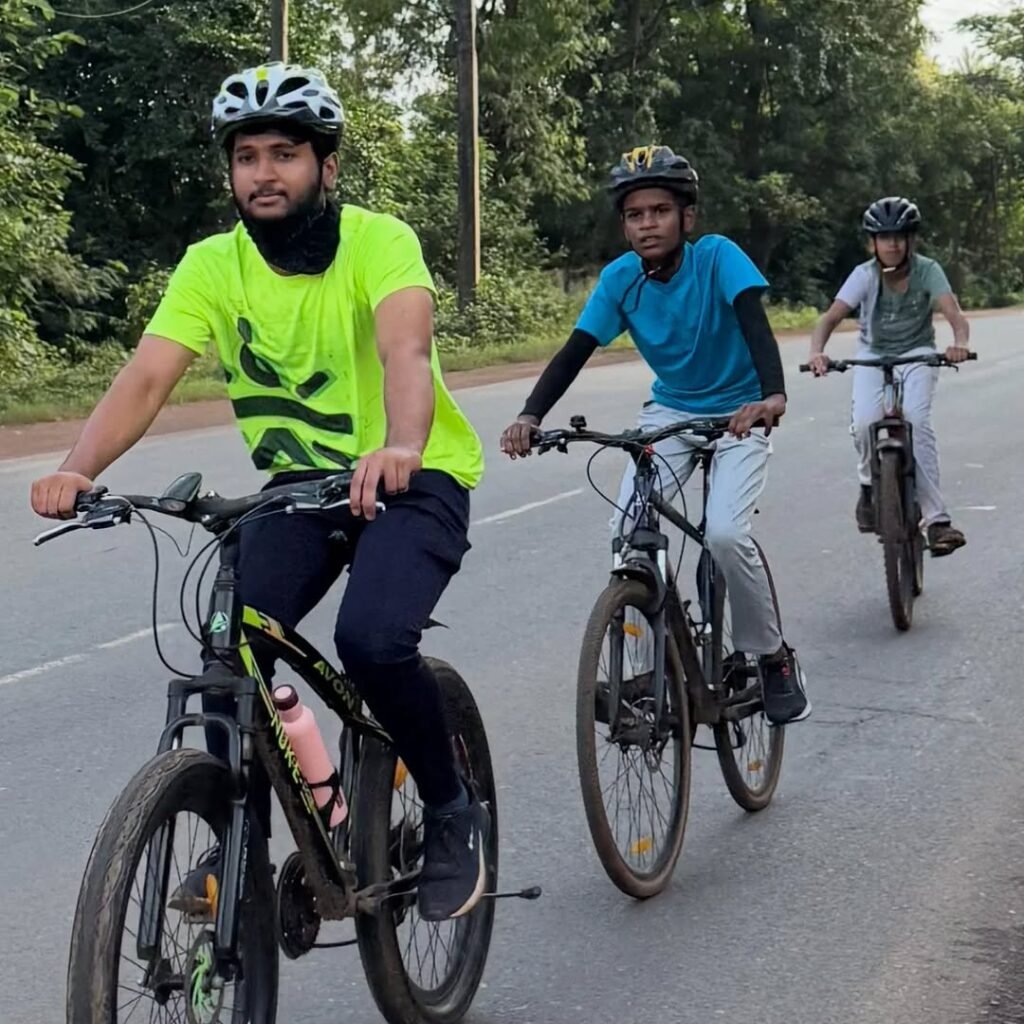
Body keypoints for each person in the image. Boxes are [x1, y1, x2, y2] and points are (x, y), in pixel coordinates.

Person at [29, 61, 489, 922]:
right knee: (227, 651)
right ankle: (231, 835)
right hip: (298, 492)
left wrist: (399, 444)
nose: (264, 172)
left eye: (285, 152)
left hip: (412, 478)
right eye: (247, 156)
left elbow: (405, 352)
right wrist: (79, 466)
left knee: (373, 641)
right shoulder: (213, 265)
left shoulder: (380, 242)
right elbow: (147, 376)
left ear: (327, 167)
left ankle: (451, 805)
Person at [500, 144, 809, 725]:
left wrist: (772, 397)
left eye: (660, 211)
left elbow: (755, 327)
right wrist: (530, 414)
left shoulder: (718, 257)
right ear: (625, 224)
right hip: (670, 412)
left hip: (741, 412)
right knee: (627, 533)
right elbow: (576, 351)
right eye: (636, 215)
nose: (647, 224)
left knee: (722, 532)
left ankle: (772, 658)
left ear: (685, 217)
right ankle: (651, 660)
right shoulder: (621, 279)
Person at [806, 196, 970, 555]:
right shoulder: (864, 275)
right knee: (865, 421)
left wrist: (959, 343)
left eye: (900, 236)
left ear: (912, 240)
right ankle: (869, 487)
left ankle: (937, 522)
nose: (892, 243)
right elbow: (830, 318)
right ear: (872, 243)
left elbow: (954, 314)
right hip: (873, 356)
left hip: (917, 355)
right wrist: (817, 351)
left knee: (916, 420)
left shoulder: (928, 270)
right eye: (884, 237)